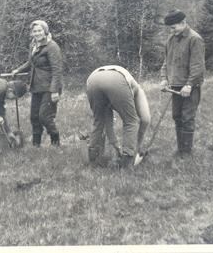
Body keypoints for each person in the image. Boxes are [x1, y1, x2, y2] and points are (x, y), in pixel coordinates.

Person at [160, 10, 205, 159]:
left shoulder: (195, 39)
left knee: (187, 118)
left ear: (183, 23)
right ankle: (180, 149)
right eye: (170, 29)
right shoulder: (171, 39)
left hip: (190, 87)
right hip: (175, 86)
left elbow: (198, 66)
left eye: (174, 28)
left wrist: (190, 85)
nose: (171, 31)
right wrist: (164, 78)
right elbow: (167, 61)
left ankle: (186, 152)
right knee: (177, 117)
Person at [86, 65, 150, 171]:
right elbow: (145, 119)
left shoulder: (134, 91)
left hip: (93, 79)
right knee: (131, 121)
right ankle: (127, 166)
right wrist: (137, 147)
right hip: (116, 79)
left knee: (98, 122)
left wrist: (119, 148)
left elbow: (108, 126)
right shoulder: (138, 91)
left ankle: (94, 164)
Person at [11, 20, 64, 147]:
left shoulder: (52, 46)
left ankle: (55, 141)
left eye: (39, 30)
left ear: (45, 31)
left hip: (49, 87)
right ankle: (36, 144)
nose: (37, 33)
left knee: (45, 117)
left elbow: (57, 70)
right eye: (34, 31)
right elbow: (31, 63)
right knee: (34, 117)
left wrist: (54, 91)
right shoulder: (33, 45)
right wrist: (18, 70)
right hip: (36, 86)